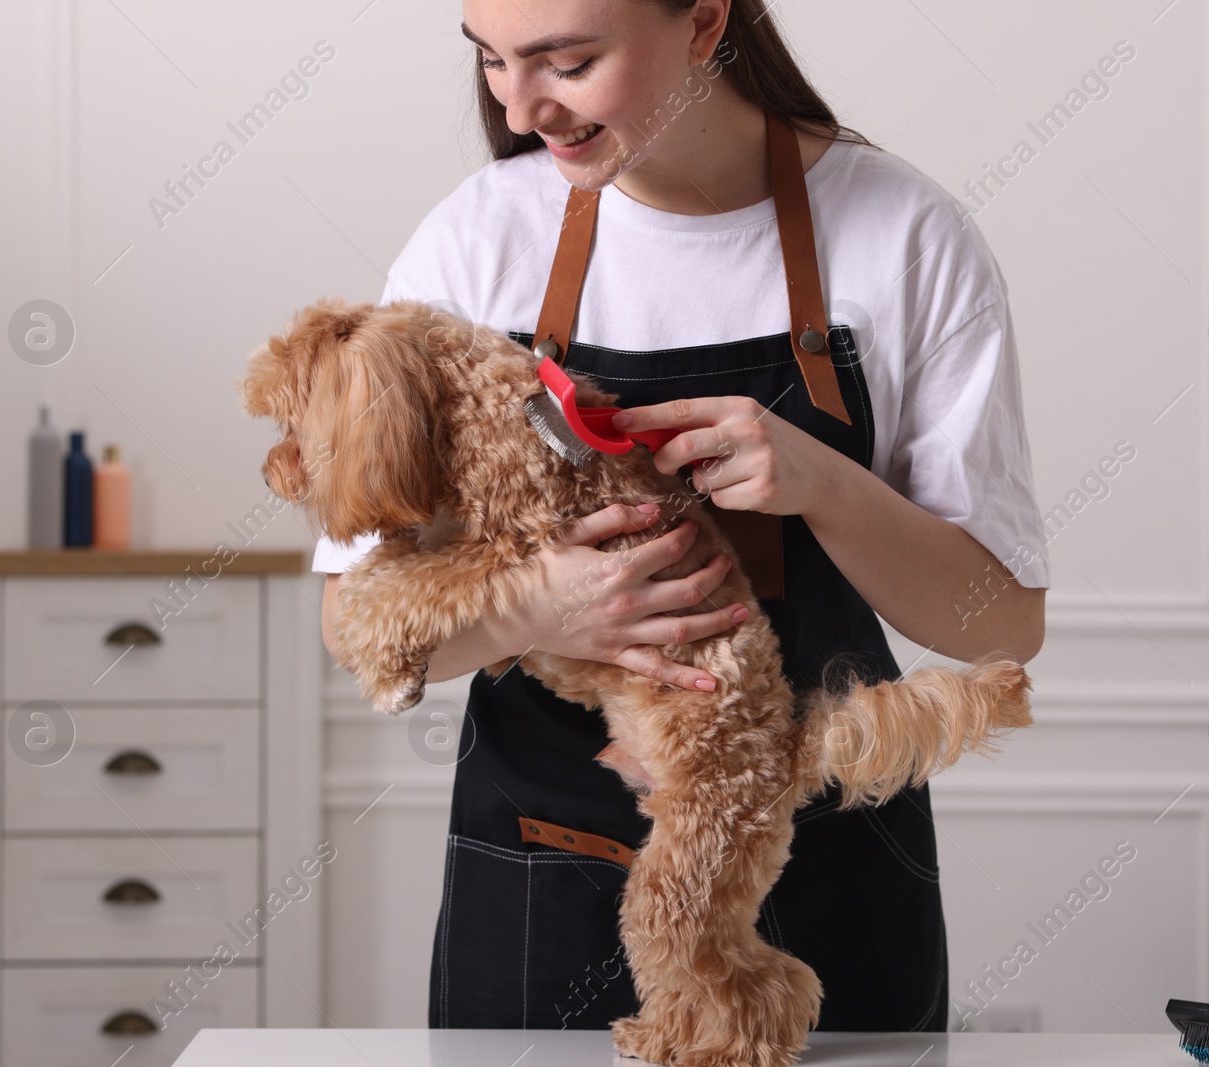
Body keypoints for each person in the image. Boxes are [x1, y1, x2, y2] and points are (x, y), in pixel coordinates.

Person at [313, 0, 1050, 1034]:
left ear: (704, 23)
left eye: (566, 63)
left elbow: (1001, 626)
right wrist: (541, 606)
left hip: (828, 854)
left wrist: (825, 483)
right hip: (543, 858)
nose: (523, 111)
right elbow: (356, 618)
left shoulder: (903, 234)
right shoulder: (477, 241)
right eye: (492, 63)